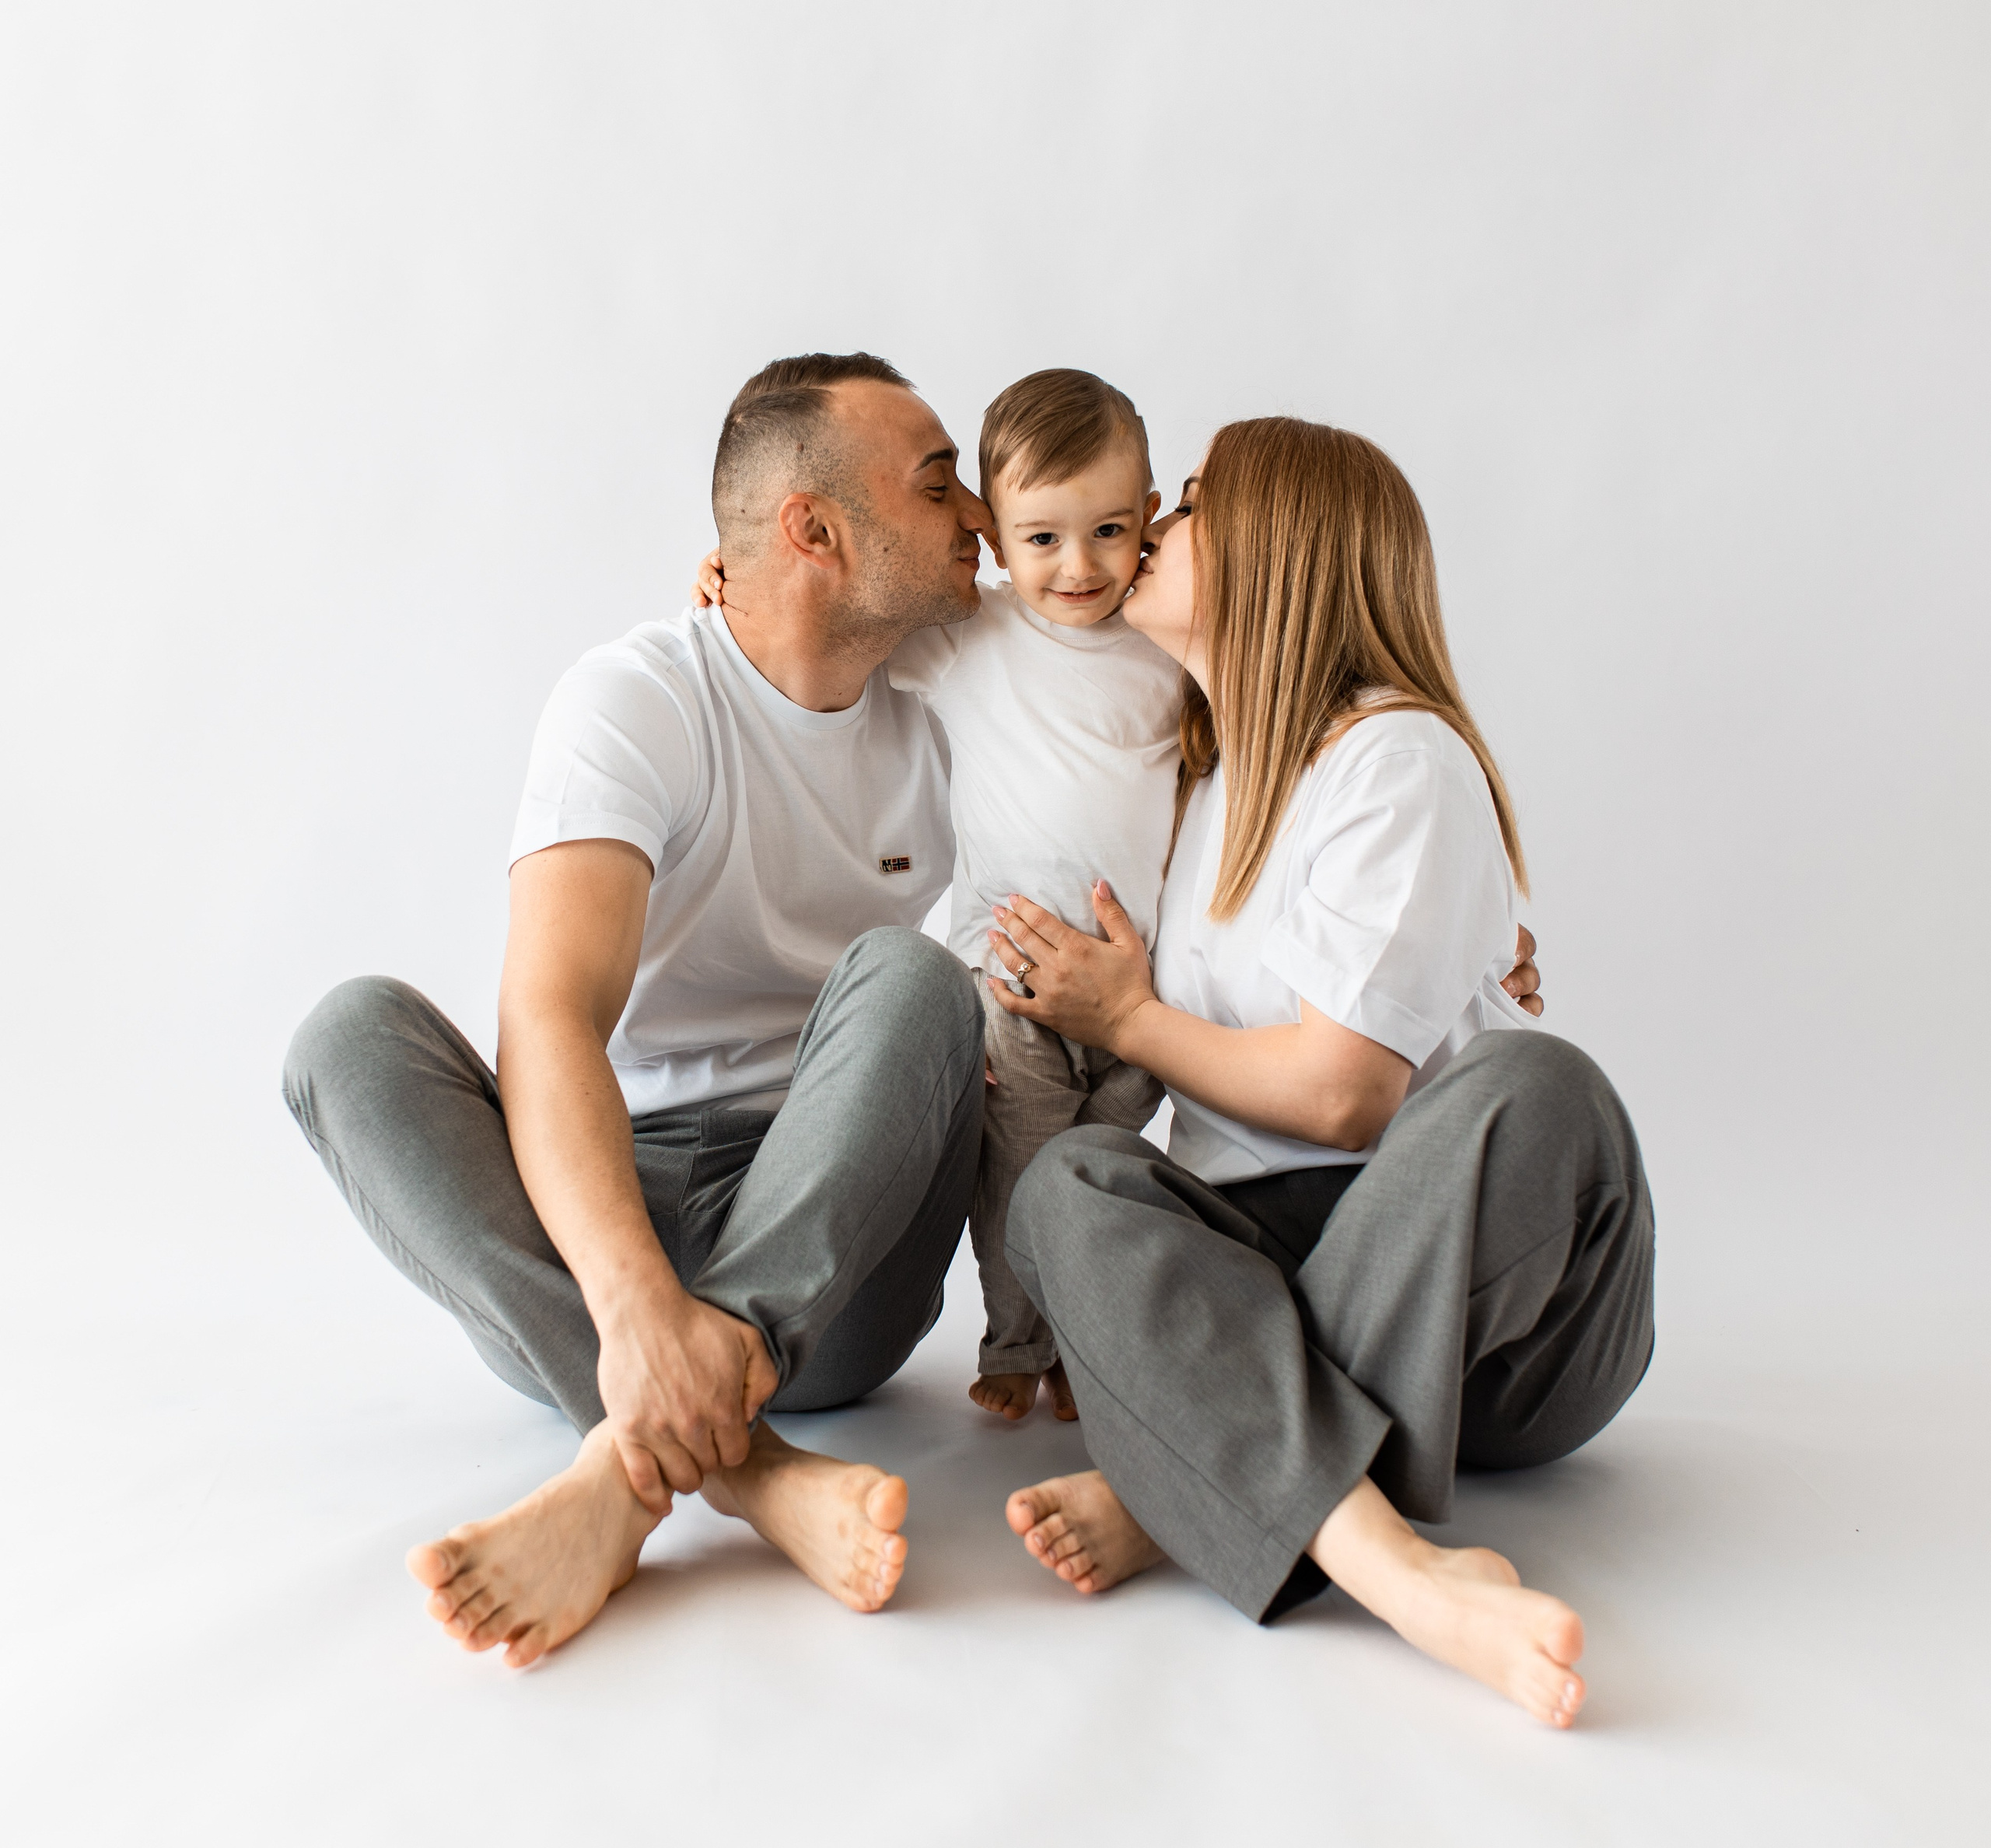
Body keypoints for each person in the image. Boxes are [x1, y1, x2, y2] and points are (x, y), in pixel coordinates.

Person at [282, 352, 997, 1666]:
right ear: (814, 532)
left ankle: (628, 1474)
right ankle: (753, 1470)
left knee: (915, 980)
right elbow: (549, 1015)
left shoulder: (977, 691)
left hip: (839, 1249)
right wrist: (630, 1314)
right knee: (347, 1035)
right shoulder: (640, 699)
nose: (984, 521)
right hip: (615, 1241)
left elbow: (1150, 636)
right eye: (942, 483)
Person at [985, 417, 1653, 1728]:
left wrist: (1126, 1019)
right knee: (1070, 1186)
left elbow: (1348, 1096)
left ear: (1284, 547)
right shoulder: (1209, 771)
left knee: (1545, 1089)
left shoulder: (1395, 757)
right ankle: (1377, 1551)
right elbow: (980, 603)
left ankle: (1213, 1485)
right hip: (1288, 1259)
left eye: (1191, 503)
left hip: (1496, 1305)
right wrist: (723, 590)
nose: (1154, 529)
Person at [697, 368, 1188, 1423]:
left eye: (1109, 530)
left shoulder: (1172, 647)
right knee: (1015, 1170)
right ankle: (1017, 1345)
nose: (1078, 566)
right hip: (1006, 973)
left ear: (1149, 515)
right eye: (1042, 538)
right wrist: (734, 579)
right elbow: (819, 624)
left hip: (1145, 983)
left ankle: (1097, 1347)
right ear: (999, 535)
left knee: (1103, 1172)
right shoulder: (970, 634)